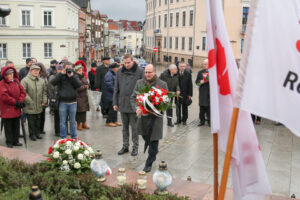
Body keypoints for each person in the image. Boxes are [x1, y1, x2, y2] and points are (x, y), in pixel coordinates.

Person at [131, 64, 168, 172]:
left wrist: (157, 109)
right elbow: (133, 97)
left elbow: (166, 101)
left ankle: (149, 163)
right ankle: (153, 153)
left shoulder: (162, 84)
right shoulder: (139, 83)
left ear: (155, 72)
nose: (147, 74)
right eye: (146, 72)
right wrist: (137, 108)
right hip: (143, 118)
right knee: (145, 137)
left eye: (149, 72)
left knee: (153, 141)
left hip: (155, 119)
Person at [113, 54, 144, 156]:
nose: (126, 65)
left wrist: (140, 104)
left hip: (134, 104)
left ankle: (135, 147)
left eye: (128, 63)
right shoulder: (119, 72)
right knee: (124, 127)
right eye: (125, 63)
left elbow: (143, 89)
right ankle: (125, 146)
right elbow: (116, 88)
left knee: (134, 128)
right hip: (122, 103)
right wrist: (115, 102)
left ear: (133, 61)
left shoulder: (139, 71)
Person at [50, 62, 82, 139]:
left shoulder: (74, 76)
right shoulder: (61, 76)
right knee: (62, 122)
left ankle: (74, 137)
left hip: (73, 102)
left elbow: (79, 85)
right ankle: (63, 137)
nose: (69, 69)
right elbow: (52, 82)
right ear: (64, 68)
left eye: (70, 68)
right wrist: (61, 73)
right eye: (67, 67)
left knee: (72, 122)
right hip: (63, 102)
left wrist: (72, 76)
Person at [0, 66, 26, 148]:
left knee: (16, 125)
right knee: (8, 127)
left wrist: (20, 100)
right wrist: (16, 102)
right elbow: (4, 96)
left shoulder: (16, 81)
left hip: (16, 108)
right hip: (7, 109)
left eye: (12, 73)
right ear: (5, 75)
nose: (11, 75)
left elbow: (23, 92)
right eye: (9, 74)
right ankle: (9, 141)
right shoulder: (2, 84)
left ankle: (16, 140)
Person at [21, 65, 47, 141]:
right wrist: (30, 101)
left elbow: (44, 92)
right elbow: (23, 92)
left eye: (37, 70)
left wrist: (44, 101)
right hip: (30, 105)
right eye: (34, 70)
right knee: (31, 122)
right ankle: (32, 135)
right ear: (30, 71)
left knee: (38, 120)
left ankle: (37, 133)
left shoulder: (41, 80)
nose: (36, 71)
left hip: (39, 105)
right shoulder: (25, 80)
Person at [48, 64, 63, 136]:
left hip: (63, 98)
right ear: (56, 70)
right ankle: (57, 131)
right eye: (59, 69)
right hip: (56, 98)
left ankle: (64, 130)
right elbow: (50, 89)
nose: (60, 70)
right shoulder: (52, 77)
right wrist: (52, 98)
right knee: (57, 116)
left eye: (61, 69)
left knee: (65, 116)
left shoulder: (64, 76)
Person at [74, 64, 90, 130]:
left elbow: (87, 83)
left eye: (81, 70)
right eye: (79, 71)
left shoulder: (83, 77)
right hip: (79, 97)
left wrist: (88, 85)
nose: (81, 72)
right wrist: (85, 87)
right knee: (79, 111)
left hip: (84, 96)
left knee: (84, 110)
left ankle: (84, 123)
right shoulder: (75, 78)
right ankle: (78, 124)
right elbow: (77, 88)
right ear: (76, 71)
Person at [195, 59, 210, 126]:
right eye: (203, 64)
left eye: (206, 64)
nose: (204, 65)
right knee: (202, 108)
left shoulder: (213, 72)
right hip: (203, 92)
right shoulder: (200, 72)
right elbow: (196, 82)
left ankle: (210, 121)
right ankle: (202, 121)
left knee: (209, 108)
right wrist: (200, 82)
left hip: (210, 93)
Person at [35, 63, 48, 135]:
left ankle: (41, 129)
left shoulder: (44, 76)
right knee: (37, 116)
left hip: (44, 97)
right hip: (37, 98)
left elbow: (46, 86)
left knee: (43, 115)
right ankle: (37, 130)